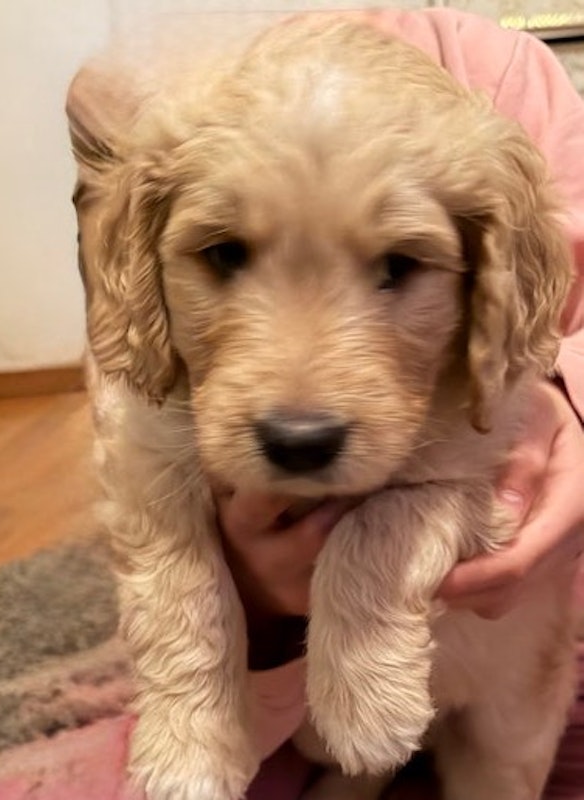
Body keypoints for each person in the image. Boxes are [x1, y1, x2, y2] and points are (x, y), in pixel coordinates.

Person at [214, 7, 584, 798]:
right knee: (302, 743)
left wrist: (567, 395)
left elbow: (565, 291)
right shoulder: (173, 89)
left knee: (508, 745)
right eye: (230, 255)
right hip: (282, 660)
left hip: (498, 618)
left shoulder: (514, 70)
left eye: (394, 265)